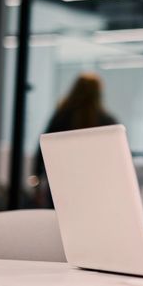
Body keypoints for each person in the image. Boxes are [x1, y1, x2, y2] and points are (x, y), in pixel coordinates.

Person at [32, 72, 118, 207]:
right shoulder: (106, 121)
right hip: (93, 185)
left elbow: (43, 149)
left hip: (60, 182)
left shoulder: (61, 117)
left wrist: (37, 179)